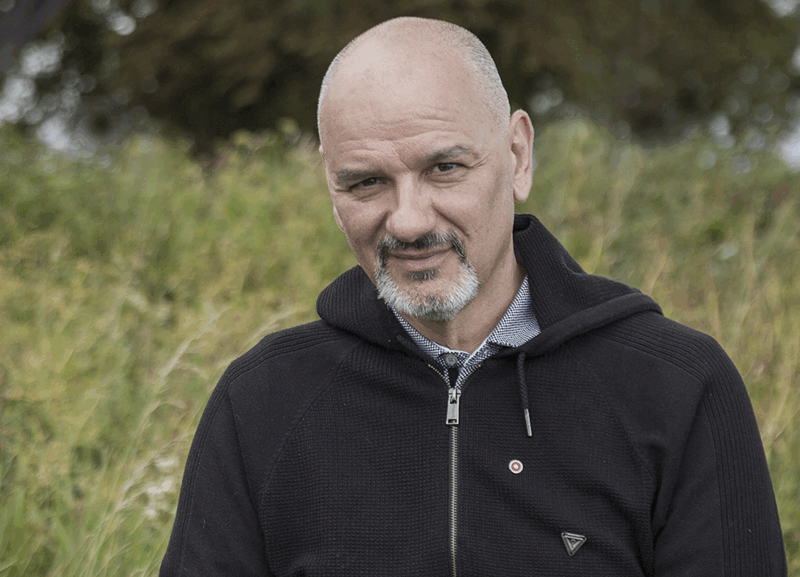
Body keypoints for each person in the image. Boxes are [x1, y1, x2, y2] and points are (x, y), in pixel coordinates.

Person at [160, 17, 787, 576]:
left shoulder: (677, 388)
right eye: (367, 182)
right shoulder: (262, 403)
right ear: (330, 184)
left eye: (444, 168)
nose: (408, 221)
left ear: (518, 155)